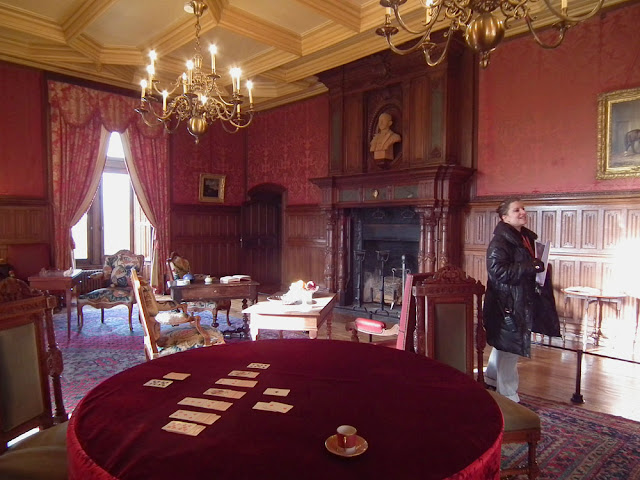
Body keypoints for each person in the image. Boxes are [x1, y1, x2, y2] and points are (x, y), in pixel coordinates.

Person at [482, 197, 560, 402]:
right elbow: (497, 271)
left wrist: (538, 267)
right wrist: (529, 267)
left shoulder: (522, 238)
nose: (523, 212)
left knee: (505, 343)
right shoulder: (500, 241)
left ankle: (491, 378)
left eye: (523, 209)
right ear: (505, 217)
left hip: (516, 299)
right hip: (506, 303)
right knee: (511, 345)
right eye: (517, 210)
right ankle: (509, 396)